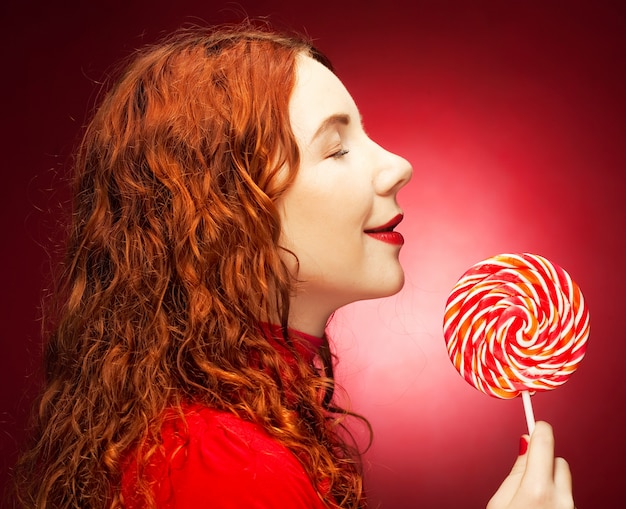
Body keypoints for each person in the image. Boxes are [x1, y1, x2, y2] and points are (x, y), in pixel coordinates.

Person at [12, 23, 575, 509]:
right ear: (224, 209)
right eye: (336, 148)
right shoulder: (222, 466)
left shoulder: (255, 422)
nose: (398, 165)